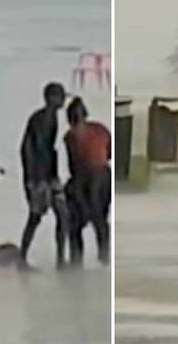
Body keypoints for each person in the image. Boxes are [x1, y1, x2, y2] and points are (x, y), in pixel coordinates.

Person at [19, 82, 71, 270]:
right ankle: (22, 257)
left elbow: (47, 151)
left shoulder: (52, 118)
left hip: (48, 176)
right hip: (38, 177)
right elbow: (30, 150)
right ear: (51, 98)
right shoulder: (40, 119)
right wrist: (35, 180)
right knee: (35, 218)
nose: (64, 100)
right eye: (61, 96)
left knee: (63, 215)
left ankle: (59, 259)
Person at [63, 97, 111, 267]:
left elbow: (73, 165)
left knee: (75, 224)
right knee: (101, 220)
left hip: (86, 177)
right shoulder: (101, 129)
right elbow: (109, 154)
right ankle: (105, 258)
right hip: (105, 176)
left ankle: (76, 262)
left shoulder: (70, 136)